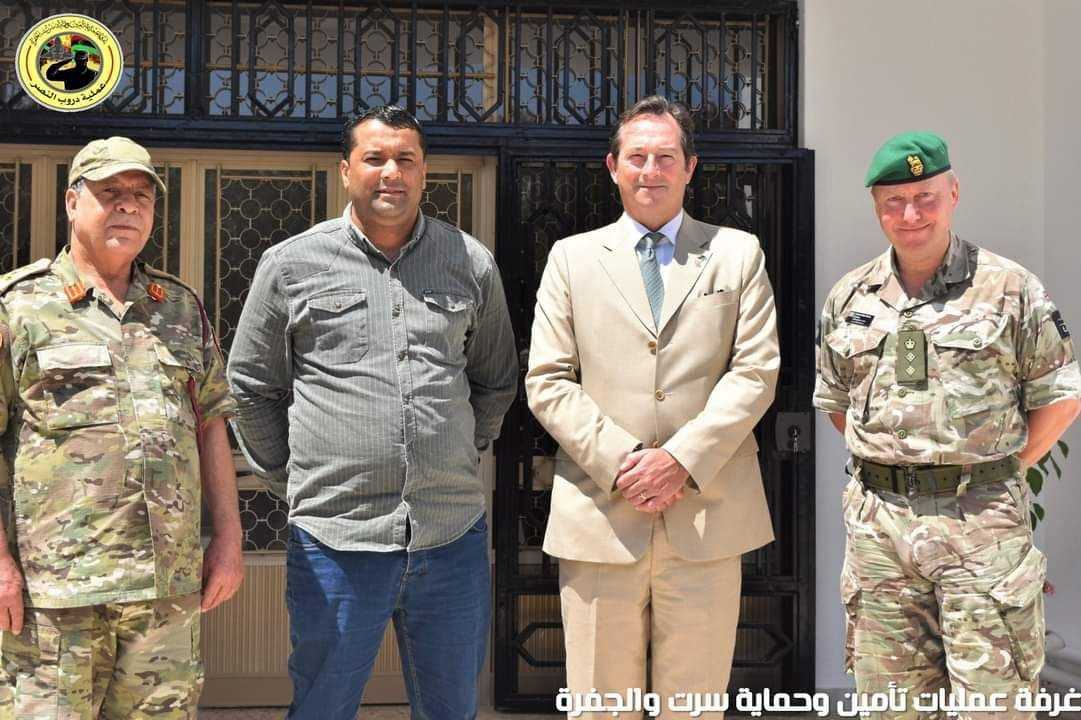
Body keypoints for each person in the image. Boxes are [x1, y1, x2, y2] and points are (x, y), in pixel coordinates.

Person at [228, 105, 518, 720]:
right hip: (335, 539)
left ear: (424, 172)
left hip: (449, 535)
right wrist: (290, 477)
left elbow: (494, 379)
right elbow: (251, 386)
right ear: (345, 170)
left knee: (451, 709)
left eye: (406, 159)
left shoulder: (469, 262)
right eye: (375, 158)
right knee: (323, 707)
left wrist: (459, 449)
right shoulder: (291, 264)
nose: (392, 172)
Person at [525, 95, 780, 718]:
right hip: (601, 518)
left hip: (707, 517)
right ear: (612, 167)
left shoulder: (737, 253)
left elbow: (755, 373)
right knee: (600, 703)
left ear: (690, 167)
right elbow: (548, 379)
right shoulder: (571, 258)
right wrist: (627, 461)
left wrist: (680, 460)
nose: (651, 170)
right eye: (637, 156)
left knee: (694, 704)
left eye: (666, 157)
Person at [814, 131, 1081, 719]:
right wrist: (898, 465)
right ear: (877, 207)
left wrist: (996, 472)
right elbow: (836, 400)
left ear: (953, 193)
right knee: (890, 705)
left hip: (982, 527)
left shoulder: (1010, 288)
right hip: (880, 532)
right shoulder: (850, 296)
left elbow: (1061, 396)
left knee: (994, 702)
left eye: (925, 197)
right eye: (894, 201)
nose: (910, 214)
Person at [0, 136, 244, 718]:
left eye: (141, 195)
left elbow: (210, 423)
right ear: (72, 202)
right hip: (55, 594)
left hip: (165, 593)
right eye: (110, 192)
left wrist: (230, 540)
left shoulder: (178, 306)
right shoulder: (18, 305)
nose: (128, 205)